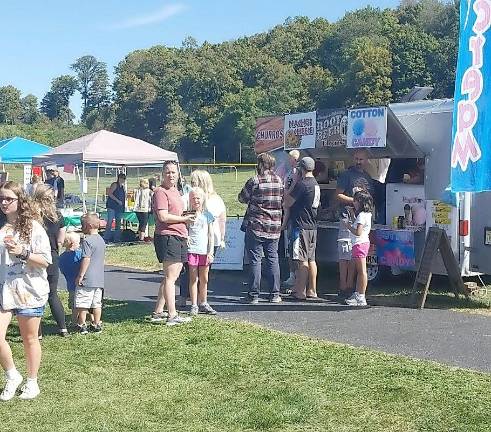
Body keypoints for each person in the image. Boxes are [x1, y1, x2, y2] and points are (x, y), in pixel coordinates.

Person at [0, 181, 52, 401]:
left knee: (29, 338)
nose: (3, 203)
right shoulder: (1, 227)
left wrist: (22, 252)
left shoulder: (33, 227)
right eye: (1, 198)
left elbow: (45, 261)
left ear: (19, 200)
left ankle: (32, 381)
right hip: (6, 289)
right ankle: (12, 375)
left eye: (8, 199)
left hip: (29, 289)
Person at [151, 161, 195, 326]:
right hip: (168, 237)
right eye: (167, 172)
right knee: (170, 278)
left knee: (172, 275)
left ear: (178, 174)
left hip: (179, 235)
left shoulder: (175, 191)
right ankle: (172, 315)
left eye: (173, 172)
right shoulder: (160, 192)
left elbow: (176, 213)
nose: (171, 175)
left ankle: (158, 311)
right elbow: (163, 216)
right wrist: (184, 219)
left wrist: (187, 218)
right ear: (163, 174)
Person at [238, 153, 284, 304]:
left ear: (261, 165)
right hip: (275, 227)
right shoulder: (279, 180)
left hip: (256, 225)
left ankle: (253, 295)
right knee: (272, 259)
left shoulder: (255, 181)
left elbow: (242, 198)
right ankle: (275, 293)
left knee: (255, 260)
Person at [335, 149, 375, 299]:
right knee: (344, 255)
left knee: (355, 256)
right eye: (356, 159)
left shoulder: (368, 178)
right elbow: (337, 194)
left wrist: (365, 205)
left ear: (366, 160)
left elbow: (370, 199)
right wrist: (356, 201)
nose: (358, 162)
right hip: (347, 217)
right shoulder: (346, 175)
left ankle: (350, 286)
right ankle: (342, 286)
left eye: (361, 159)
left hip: (362, 221)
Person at [31, 184, 68, 337]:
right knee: (52, 293)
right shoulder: (58, 216)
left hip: (34, 256)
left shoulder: (32, 216)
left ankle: (37, 331)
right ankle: (63, 327)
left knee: (35, 294)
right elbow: (60, 240)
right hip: (52, 256)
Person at [284, 157, 321, 300]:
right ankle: (312, 289)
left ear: (301, 169)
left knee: (301, 259)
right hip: (312, 225)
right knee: (311, 259)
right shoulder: (315, 184)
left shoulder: (302, 184)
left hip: (301, 225)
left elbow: (288, 202)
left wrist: (292, 185)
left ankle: (300, 291)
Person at [187, 187, 216, 315]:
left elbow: (211, 234)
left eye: (198, 198)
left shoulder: (208, 215)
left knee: (204, 278)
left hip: (204, 251)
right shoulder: (187, 214)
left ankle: (203, 302)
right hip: (192, 250)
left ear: (202, 199)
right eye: (193, 198)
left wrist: (210, 251)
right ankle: (194, 304)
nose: (196, 201)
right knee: (193, 278)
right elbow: (185, 230)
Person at [75, 213, 106, 334]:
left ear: (87, 226)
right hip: (99, 278)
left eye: (82, 225)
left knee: (83, 303)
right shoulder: (101, 240)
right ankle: (96, 323)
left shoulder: (87, 241)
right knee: (96, 303)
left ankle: (82, 324)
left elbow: (86, 258)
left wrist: (81, 275)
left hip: (88, 278)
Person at [341, 190, 373, 306]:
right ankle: (358, 293)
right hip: (362, 243)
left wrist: (347, 225)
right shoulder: (366, 214)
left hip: (359, 243)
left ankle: (361, 296)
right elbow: (359, 224)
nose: (354, 203)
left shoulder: (361, 215)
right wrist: (352, 216)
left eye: (356, 201)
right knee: (360, 271)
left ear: (361, 202)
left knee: (361, 271)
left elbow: (358, 232)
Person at [190, 170, 226, 252]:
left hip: (205, 240)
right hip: (212, 239)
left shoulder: (208, 201)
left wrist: (222, 237)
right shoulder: (218, 199)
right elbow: (222, 221)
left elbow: (222, 220)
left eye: (193, 182)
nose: (191, 185)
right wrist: (222, 238)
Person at [281, 150, 300, 289]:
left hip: (294, 214)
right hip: (287, 210)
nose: (291, 161)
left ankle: (296, 277)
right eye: (291, 158)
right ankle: (291, 274)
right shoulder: (288, 173)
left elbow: (290, 190)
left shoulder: (297, 174)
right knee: (289, 248)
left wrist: (286, 193)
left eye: (293, 159)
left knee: (295, 248)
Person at [59, 231, 83, 325]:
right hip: (80, 283)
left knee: (74, 304)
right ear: (73, 243)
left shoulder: (61, 257)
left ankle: (75, 320)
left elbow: (62, 270)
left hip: (70, 283)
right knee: (80, 304)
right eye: (78, 242)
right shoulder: (79, 255)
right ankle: (76, 321)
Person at [104, 173, 126, 243]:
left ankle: (117, 238)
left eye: (124, 179)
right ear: (119, 178)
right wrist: (117, 200)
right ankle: (106, 237)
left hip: (119, 207)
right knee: (110, 222)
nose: (123, 180)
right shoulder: (114, 184)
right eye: (122, 178)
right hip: (112, 206)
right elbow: (110, 193)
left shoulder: (122, 187)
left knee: (118, 222)